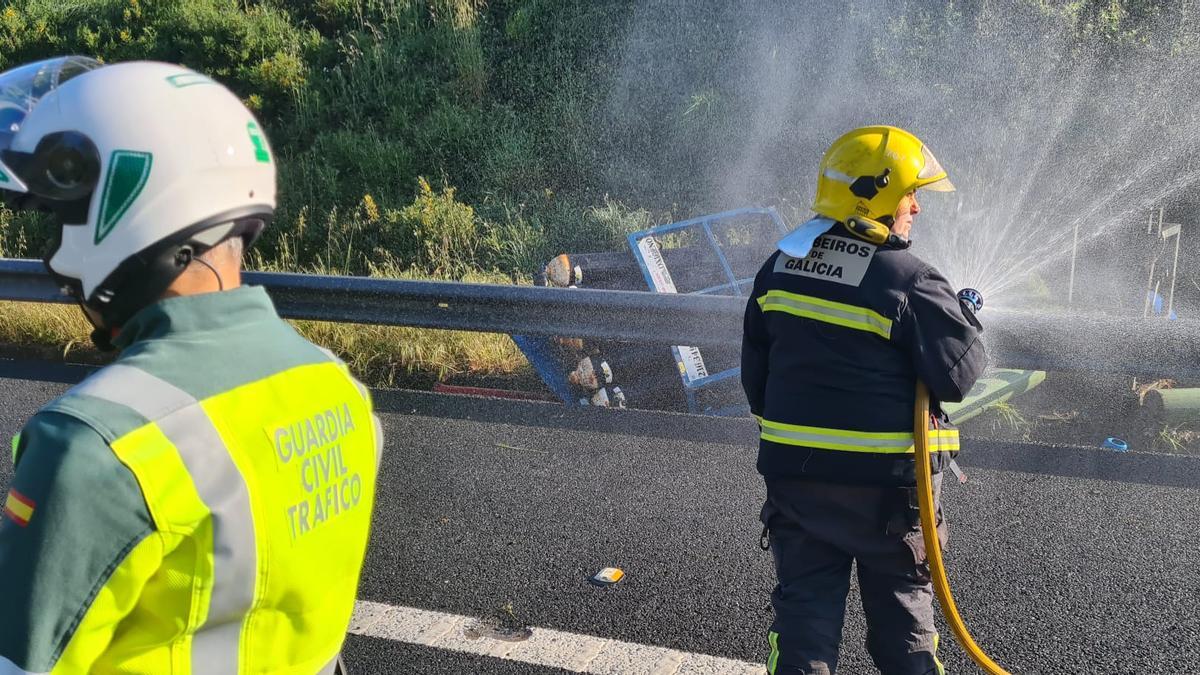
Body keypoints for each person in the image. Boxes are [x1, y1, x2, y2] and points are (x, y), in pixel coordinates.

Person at [0, 57, 381, 673]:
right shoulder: (336, 386)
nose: (53, 253)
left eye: (56, 216)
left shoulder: (95, 446)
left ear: (123, 205)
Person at [741, 125, 986, 674]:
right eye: (909, 194)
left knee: (804, 622)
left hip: (798, 487)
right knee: (903, 626)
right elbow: (959, 377)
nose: (917, 208)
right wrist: (962, 316)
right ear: (875, 196)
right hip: (891, 499)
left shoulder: (778, 268)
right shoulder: (909, 278)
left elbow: (756, 383)